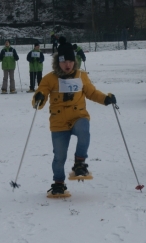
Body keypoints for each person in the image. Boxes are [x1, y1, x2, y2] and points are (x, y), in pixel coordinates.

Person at [31, 38, 117, 195]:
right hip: (58, 122)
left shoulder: (81, 76)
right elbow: (42, 90)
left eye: (71, 61)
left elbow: (91, 92)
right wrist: (39, 97)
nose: (68, 65)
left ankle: (79, 163)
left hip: (78, 116)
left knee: (84, 131)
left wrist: (106, 99)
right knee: (59, 157)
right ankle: (58, 183)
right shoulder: (50, 78)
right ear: (58, 62)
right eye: (64, 62)